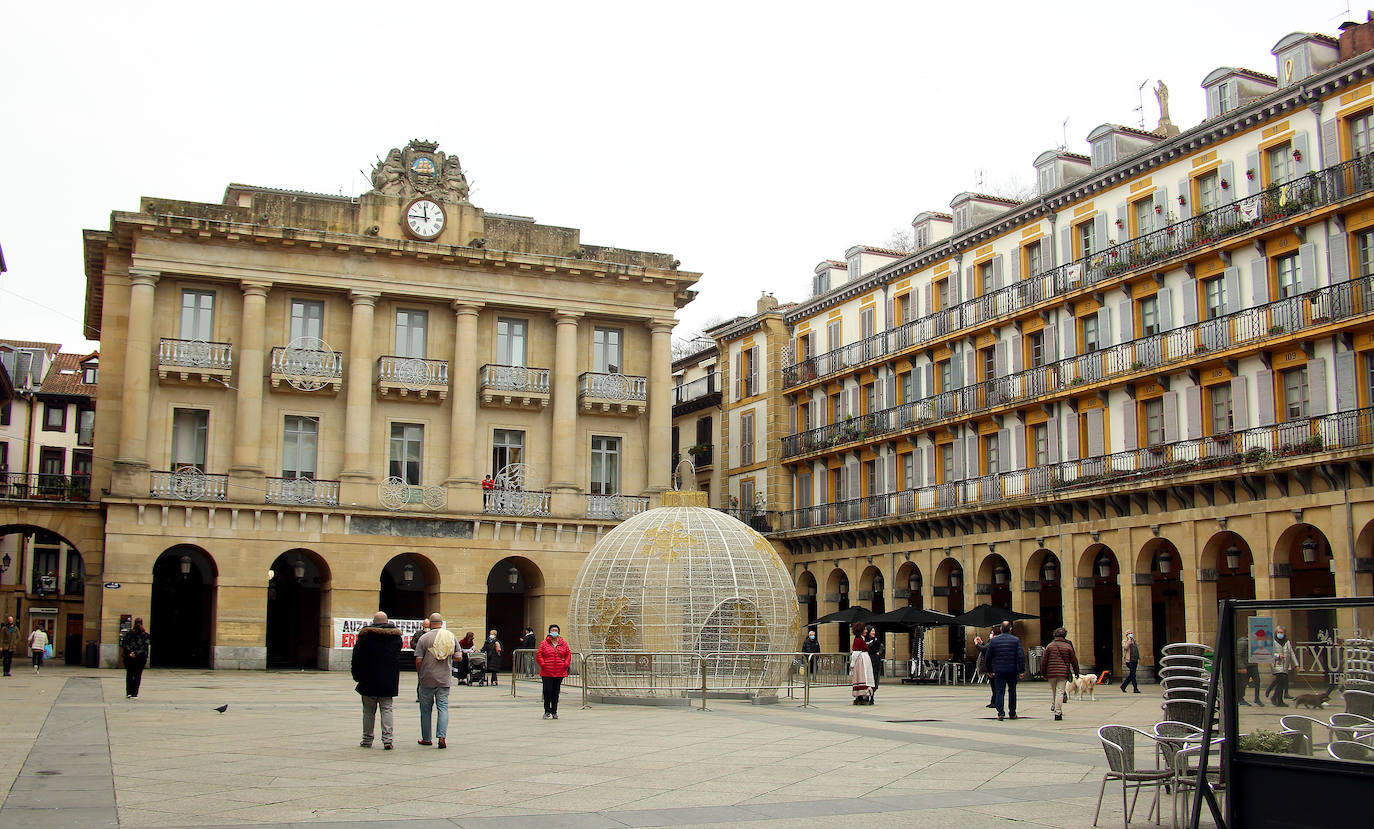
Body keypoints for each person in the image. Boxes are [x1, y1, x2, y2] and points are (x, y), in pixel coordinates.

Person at [351, 611, 402, 749]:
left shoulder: (365, 637)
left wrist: (356, 676)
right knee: (387, 709)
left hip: (368, 679)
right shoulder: (396, 638)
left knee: (368, 711)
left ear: (374, 622)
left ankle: (367, 739)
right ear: (386, 622)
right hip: (388, 680)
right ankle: (388, 740)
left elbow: (356, 658)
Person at [413, 613, 456, 748]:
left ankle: (426, 738)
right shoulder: (450, 636)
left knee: (425, 710)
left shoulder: (424, 638)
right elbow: (459, 656)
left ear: (430, 624)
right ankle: (442, 737)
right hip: (444, 679)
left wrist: (421, 673)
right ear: (441, 622)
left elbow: (418, 659)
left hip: (427, 679)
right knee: (443, 707)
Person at [985, 621, 1026, 721]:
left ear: (1001, 629)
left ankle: (1000, 713)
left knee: (999, 691)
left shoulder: (994, 641)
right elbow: (1021, 656)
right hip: (1012, 670)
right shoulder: (1016, 640)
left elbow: (988, 657)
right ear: (1010, 629)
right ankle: (1012, 712)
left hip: (999, 670)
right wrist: (1021, 670)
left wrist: (989, 670)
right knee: (1012, 691)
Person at [1042, 627, 1079, 721]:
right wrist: (1076, 672)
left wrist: (1043, 672)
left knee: (1055, 691)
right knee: (1060, 692)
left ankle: (1055, 706)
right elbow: (1074, 661)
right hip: (1063, 672)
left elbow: (1044, 661)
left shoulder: (1050, 646)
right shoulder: (1068, 646)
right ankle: (1058, 712)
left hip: (1051, 672)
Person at [536, 624, 572, 719]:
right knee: (547, 691)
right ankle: (547, 710)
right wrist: (543, 664)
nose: (554, 631)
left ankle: (554, 711)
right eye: (552, 630)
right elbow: (539, 654)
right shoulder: (544, 643)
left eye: (556, 630)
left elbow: (568, 654)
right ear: (549, 632)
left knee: (556, 692)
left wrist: (566, 664)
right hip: (547, 671)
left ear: (559, 632)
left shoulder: (563, 643)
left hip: (559, 671)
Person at [121, 618, 151, 698]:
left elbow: (125, 645)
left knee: (129, 674)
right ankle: (135, 693)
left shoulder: (128, 634)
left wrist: (131, 653)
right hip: (140, 658)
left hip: (129, 657)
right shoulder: (146, 635)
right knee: (137, 675)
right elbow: (145, 647)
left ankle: (129, 692)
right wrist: (136, 653)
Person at [1268, 626, 1297, 707]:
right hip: (1276, 664)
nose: (1280, 634)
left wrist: (1296, 664)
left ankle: (1276, 698)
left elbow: (1291, 653)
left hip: (1285, 665)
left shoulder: (1287, 642)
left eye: (1281, 632)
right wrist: (1278, 656)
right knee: (1281, 680)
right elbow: (1269, 653)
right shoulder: (1273, 641)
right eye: (1278, 632)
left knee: (1281, 683)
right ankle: (1277, 699)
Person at [850, 621, 875, 705]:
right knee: (862, 677)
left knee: (863, 677)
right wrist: (853, 663)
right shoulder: (858, 640)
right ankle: (861, 697)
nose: (866, 631)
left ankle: (862, 696)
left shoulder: (861, 639)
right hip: (861, 661)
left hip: (863, 659)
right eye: (864, 629)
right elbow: (855, 652)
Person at [1236, 632, 1262, 707]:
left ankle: (1257, 698)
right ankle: (1240, 698)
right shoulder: (1243, 642)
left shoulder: (1255, 643)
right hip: (1246, 666)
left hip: (1253, 664)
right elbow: (1238, 655)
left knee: (1257, 681)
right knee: (1243, 683)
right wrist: (1241, 667)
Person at [975, 626, 999, 708]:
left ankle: (996, 702)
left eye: (992, 633)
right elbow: (986, 647)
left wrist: (977, 644)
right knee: (994, 686)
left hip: (994, 667)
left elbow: (984, 649)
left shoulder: (994, 641)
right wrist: (982, 643)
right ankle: (993, 702)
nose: (990, 634)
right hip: (993, 667)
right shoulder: (992, 641)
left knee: (996, 686)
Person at [864, 626, 885, 699]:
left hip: (874, 661)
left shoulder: (876, 640)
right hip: (867, 660)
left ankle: (872, 696)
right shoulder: (864, 640)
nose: (874, 632)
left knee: (874, 677)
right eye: (872, 631)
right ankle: (866, 694)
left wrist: (879, 653)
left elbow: (881, 646)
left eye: (874, 631)